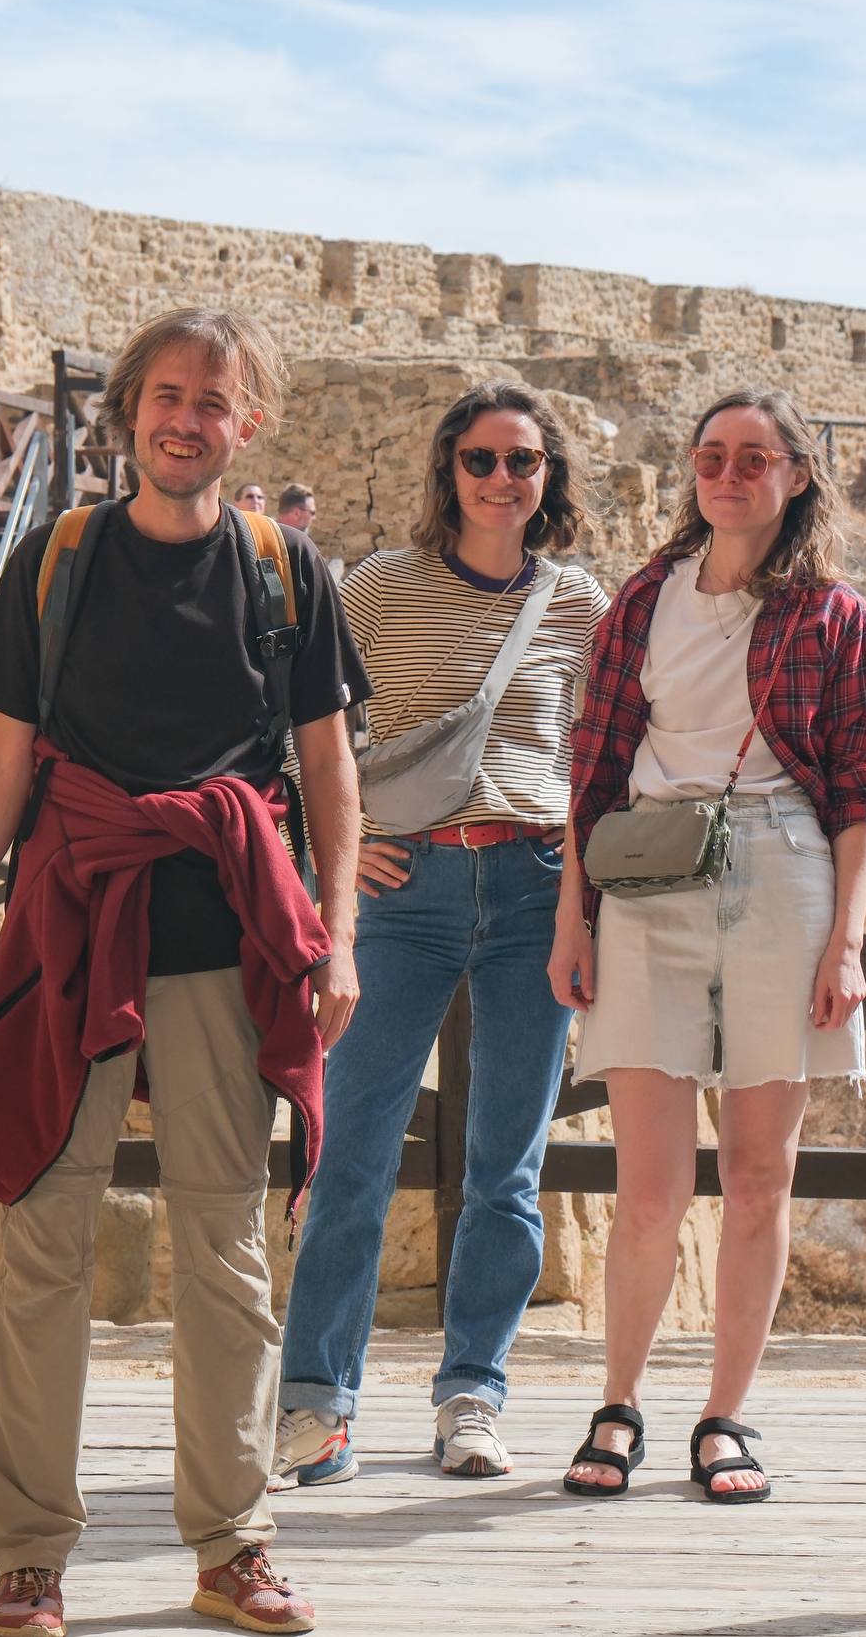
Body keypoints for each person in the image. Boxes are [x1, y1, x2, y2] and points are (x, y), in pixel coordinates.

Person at [0, 306, 372, 1637]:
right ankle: (29, 1553)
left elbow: (329, 769)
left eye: (211, 400)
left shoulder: (285, 571)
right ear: (132, 411)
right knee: (45, 1242)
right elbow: (6, 757)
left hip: (227, 939)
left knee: (225, 1251)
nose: (184, 419)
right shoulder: (58, 560)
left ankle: (233, 1546)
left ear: (245, 422)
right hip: (69, 923)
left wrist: (336, 935)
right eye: (166, 394)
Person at [552, 388, 866, 1505]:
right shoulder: (642, 600)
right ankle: (618, 1402)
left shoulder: (833, 616)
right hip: (649, 873)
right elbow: (594, 766)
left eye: (755, 458)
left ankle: (724, 1416)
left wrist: (847, 943)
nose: (729, 475)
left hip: (782, 871)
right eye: (711, 456)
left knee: (757, 1176)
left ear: (797, 474)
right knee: (648, 1184)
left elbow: (863, 789)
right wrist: (572, 916)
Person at [272, 382, 608, 1487]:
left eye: (523, 460)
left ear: (548, 475)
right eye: (480, 459)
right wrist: (335, 852)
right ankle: (318, 1404)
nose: (501, 479)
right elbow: (301, 730)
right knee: (351, 1154)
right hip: (406, 890)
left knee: (506, 1167)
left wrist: (580, 906)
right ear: (447, 470)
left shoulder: (578, 604)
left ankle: (473, 1393)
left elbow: (595, 765)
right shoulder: (377, 586)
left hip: (533, 888)